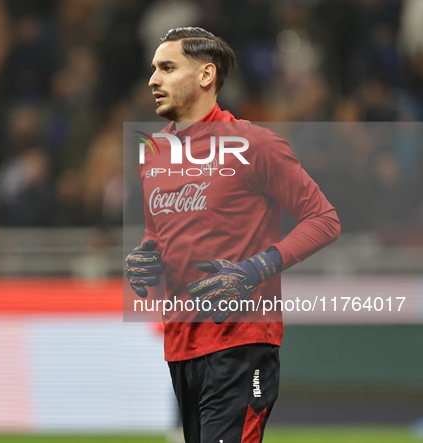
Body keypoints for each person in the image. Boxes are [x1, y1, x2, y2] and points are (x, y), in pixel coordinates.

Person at [125, 27, 341, 443]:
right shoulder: (153, 153)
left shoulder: (255, 145)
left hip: (241, 343)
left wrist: (255, 268)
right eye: (153, 69)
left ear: (206, 75)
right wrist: (144, 258)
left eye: (167, 68)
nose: (153, 80)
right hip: (180, 345)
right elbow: (158, 235)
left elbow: (323, 219)